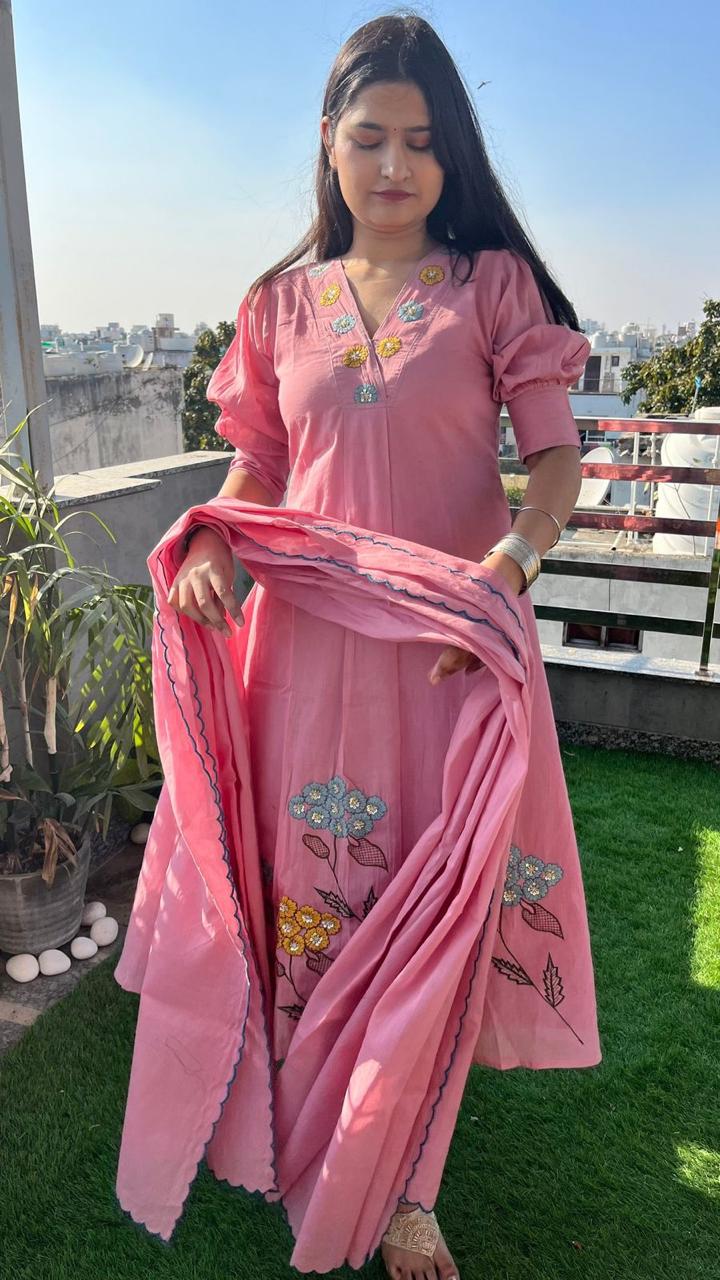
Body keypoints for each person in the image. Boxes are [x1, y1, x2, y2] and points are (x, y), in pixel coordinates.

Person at [165, 13, 596, 1280]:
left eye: (422, 140)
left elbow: (555, 463)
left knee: (430, 915)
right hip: (300, 659)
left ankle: (408, 1188)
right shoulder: (275, 308)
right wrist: (214, 545)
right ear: (328, 143)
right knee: (315, 901)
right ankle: (306, 1131)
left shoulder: (493, 289)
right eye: (370, 138)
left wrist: (508, 570)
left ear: (452, 153)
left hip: (447, 658)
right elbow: (259, 467)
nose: (396, 165)